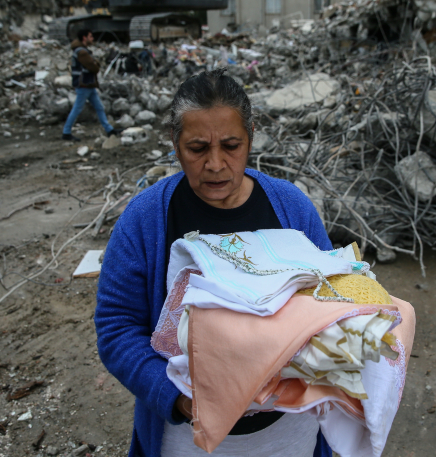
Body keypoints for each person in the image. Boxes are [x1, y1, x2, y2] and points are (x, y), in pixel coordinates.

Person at [94, 68, 333, 457]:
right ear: (175, 142)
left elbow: (332, 299)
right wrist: (179, 398)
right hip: (190, 442)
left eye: (231, 145)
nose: (216, 164)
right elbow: (116, 326)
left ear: (251, 137)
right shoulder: (145, 220)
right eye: (198, 148)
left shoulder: (291, 208)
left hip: (289, 437)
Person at [62, 29, 121, 142]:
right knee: (77, 109)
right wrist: (96, 63)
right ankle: (66, 132)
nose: (92, 38)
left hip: (88, 84)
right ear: (84, 38)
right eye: (90, 36)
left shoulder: (81, 51)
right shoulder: (82, 52)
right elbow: (93, 67)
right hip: (84, 84)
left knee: (99, 107)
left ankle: (109, 130)